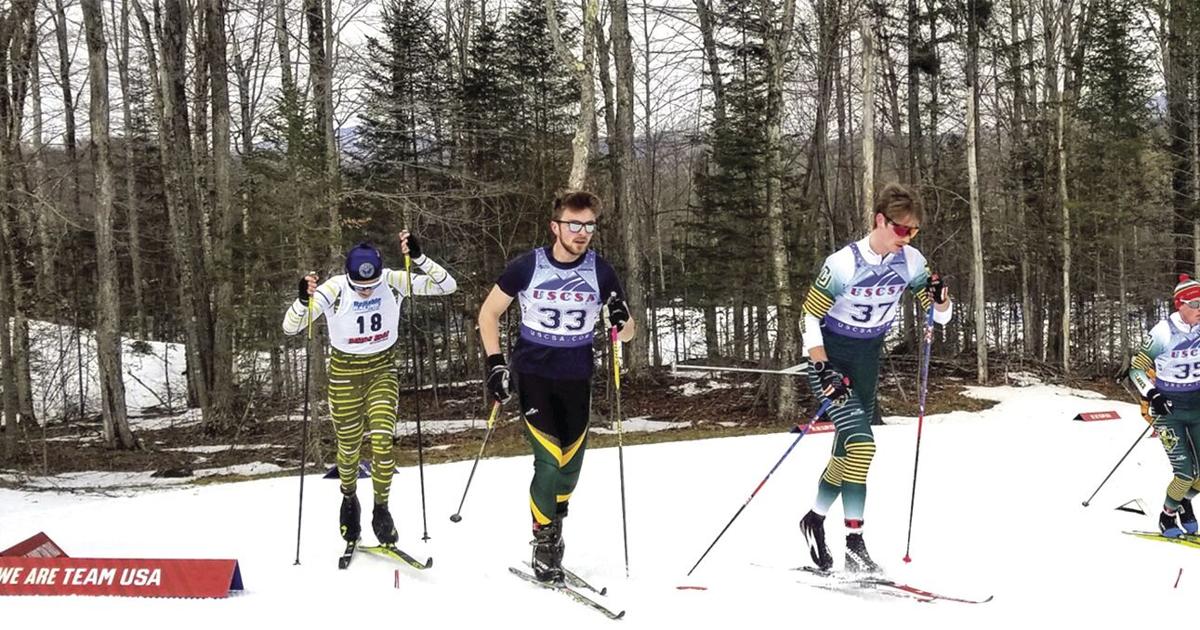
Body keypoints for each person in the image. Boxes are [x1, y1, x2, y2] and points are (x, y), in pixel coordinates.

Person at [477, 191, 635, 583]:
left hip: (577, 378)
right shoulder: (528, 266)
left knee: (569, 470)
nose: (582, 233)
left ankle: (555, 517)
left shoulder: (601, 271)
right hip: (534, 376)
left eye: (589, 226)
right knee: (547, 462)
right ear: (555, 226)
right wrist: (495, 363)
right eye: (574, 224)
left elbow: (628, 333)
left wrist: (621, 318)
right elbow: (489, 313)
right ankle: (544, 540)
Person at [797, 183, 953, 572]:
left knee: (849, 452)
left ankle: (814, 519)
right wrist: (822, 366)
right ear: (880, 221)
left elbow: (938, 316)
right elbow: (810, 316)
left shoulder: (912, 261)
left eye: (914, 230)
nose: (908, 237)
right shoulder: (842, 263)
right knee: (863, 447)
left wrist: (941, 300)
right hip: (831, 362)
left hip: (867, 360)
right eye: (902, 229)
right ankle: (855, 544)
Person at [282, 231, 457, 545]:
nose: (366, 291)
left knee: (382, 441)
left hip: (381, 371)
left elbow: (447, 286)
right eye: (359, 286)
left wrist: (419, 258)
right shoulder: (336, 288)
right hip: (344, 376)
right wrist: (302, 301)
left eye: (371, 285)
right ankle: (349, 499)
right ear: (348, 277)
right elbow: (291, 327)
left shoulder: (392, 281)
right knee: (348, 449)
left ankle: (381, 508)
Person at [1128, 274, 1200, 538]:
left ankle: (1183, 502)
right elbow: (1136, 370)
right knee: (1185, 474)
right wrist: (1153, 394)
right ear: (1180, 305)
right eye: (1195, 304)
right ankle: (1167, 515)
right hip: (1168, 411)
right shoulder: (1162, 331)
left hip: (1197, 407)